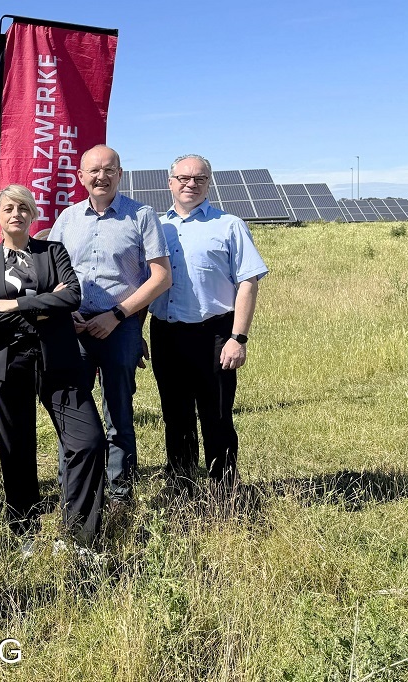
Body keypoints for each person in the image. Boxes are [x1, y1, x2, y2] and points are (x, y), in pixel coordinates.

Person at [0, 184, 107, 550]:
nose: (16, 214)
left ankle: (79, 534)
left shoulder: (53, 251)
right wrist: (45, 306)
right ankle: (24, 529)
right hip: (5, 362)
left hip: (58, 359)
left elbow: (72, 296)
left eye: (23, 208)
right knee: (15, 448)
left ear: (32, 215)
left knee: (89, 440)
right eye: (8, 209)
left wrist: (14, 306)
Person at [49, 145, 171, 511]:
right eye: (93, 171)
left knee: (118, 412)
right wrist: (64, 311)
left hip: (120, 327)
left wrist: (117, 315)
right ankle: (73, 490)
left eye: (108, 169)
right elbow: (51, 273)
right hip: (74, 328)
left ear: (120, 174)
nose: (100, 176)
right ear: (81, 177)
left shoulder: (142, 216)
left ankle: (120, 494)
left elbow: (161, 276)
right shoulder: (67, 220)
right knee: (73, 413)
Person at [150, 154, 268, 494]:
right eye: (183, 178)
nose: (191, 184)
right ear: (170, 182)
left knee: (216, 416)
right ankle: (182, 487)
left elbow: (248, 281)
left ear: (209, 182)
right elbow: (146, 281)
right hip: (166, 334)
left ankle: (224, 491)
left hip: (214, 334)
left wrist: (238, 337)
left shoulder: (229, 225)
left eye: (199, 178)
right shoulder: (156, 226)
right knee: (175, 415)